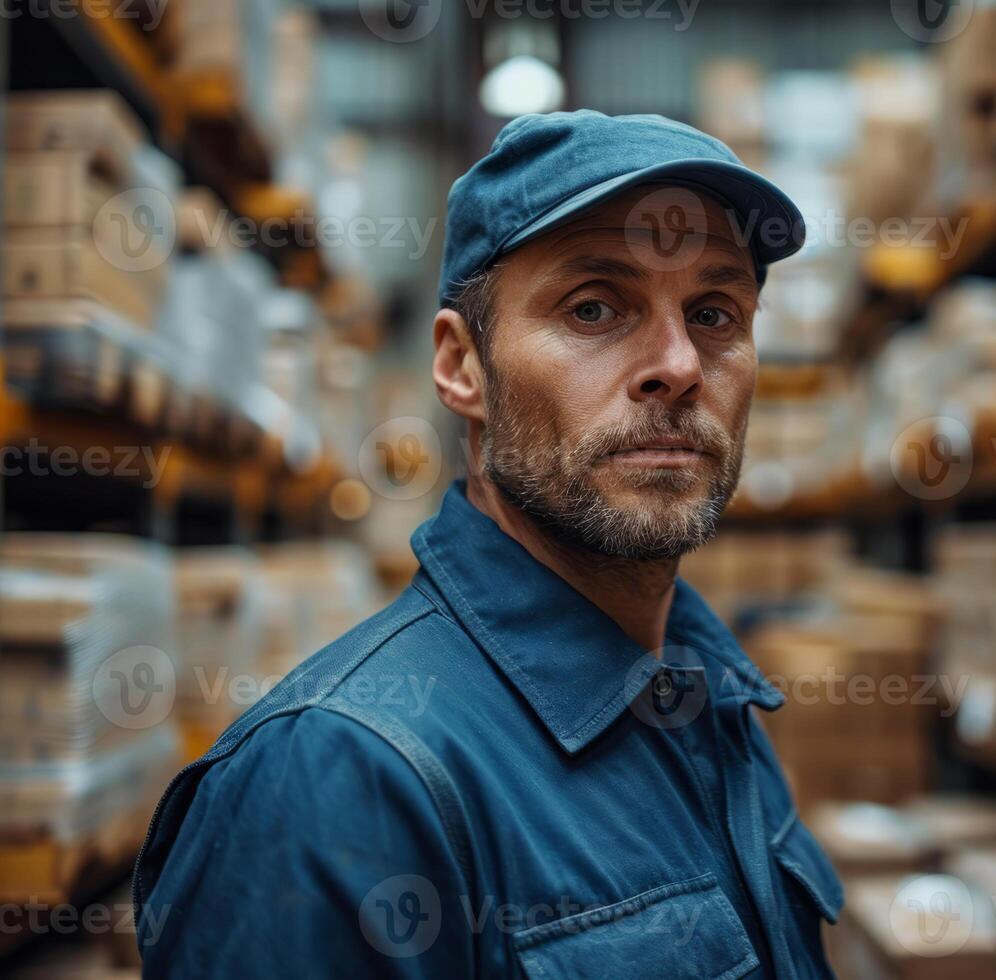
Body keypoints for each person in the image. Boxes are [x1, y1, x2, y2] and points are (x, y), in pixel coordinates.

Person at [135, 110, 842, 978]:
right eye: (594, 307)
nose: (679, 363)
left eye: (714, 312)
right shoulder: (335, 782)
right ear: (462, 367)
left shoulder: (715, 702)